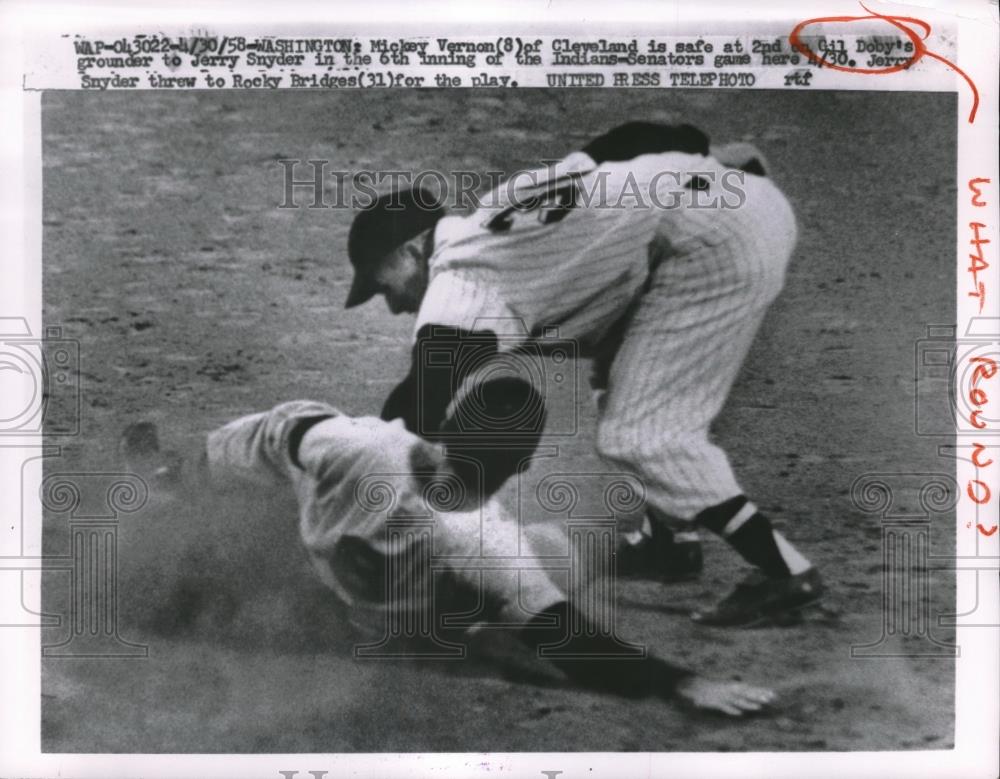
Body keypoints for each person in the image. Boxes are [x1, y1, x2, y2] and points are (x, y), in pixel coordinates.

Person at [341, 121, 823, 627]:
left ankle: (785, 572)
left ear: (412, 250)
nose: (393, 305)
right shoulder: (499, 206)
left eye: (383, 286)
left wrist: (376, 507)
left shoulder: (459, 279)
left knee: (642, 436)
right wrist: (710, 153)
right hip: (734, 204)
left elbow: (421, 397)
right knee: (618, 367)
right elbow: (621, 144)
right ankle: (672, 543)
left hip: (714, 250)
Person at [121, 400, 776, 716]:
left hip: (394, 578)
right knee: (213, 537)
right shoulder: (348, 451)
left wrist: (678, 681)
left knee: (537, 564)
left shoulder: (480, 535)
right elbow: (281, 451)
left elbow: (566, 639)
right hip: (297, 495)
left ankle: (641, 547)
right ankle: (165, 477)